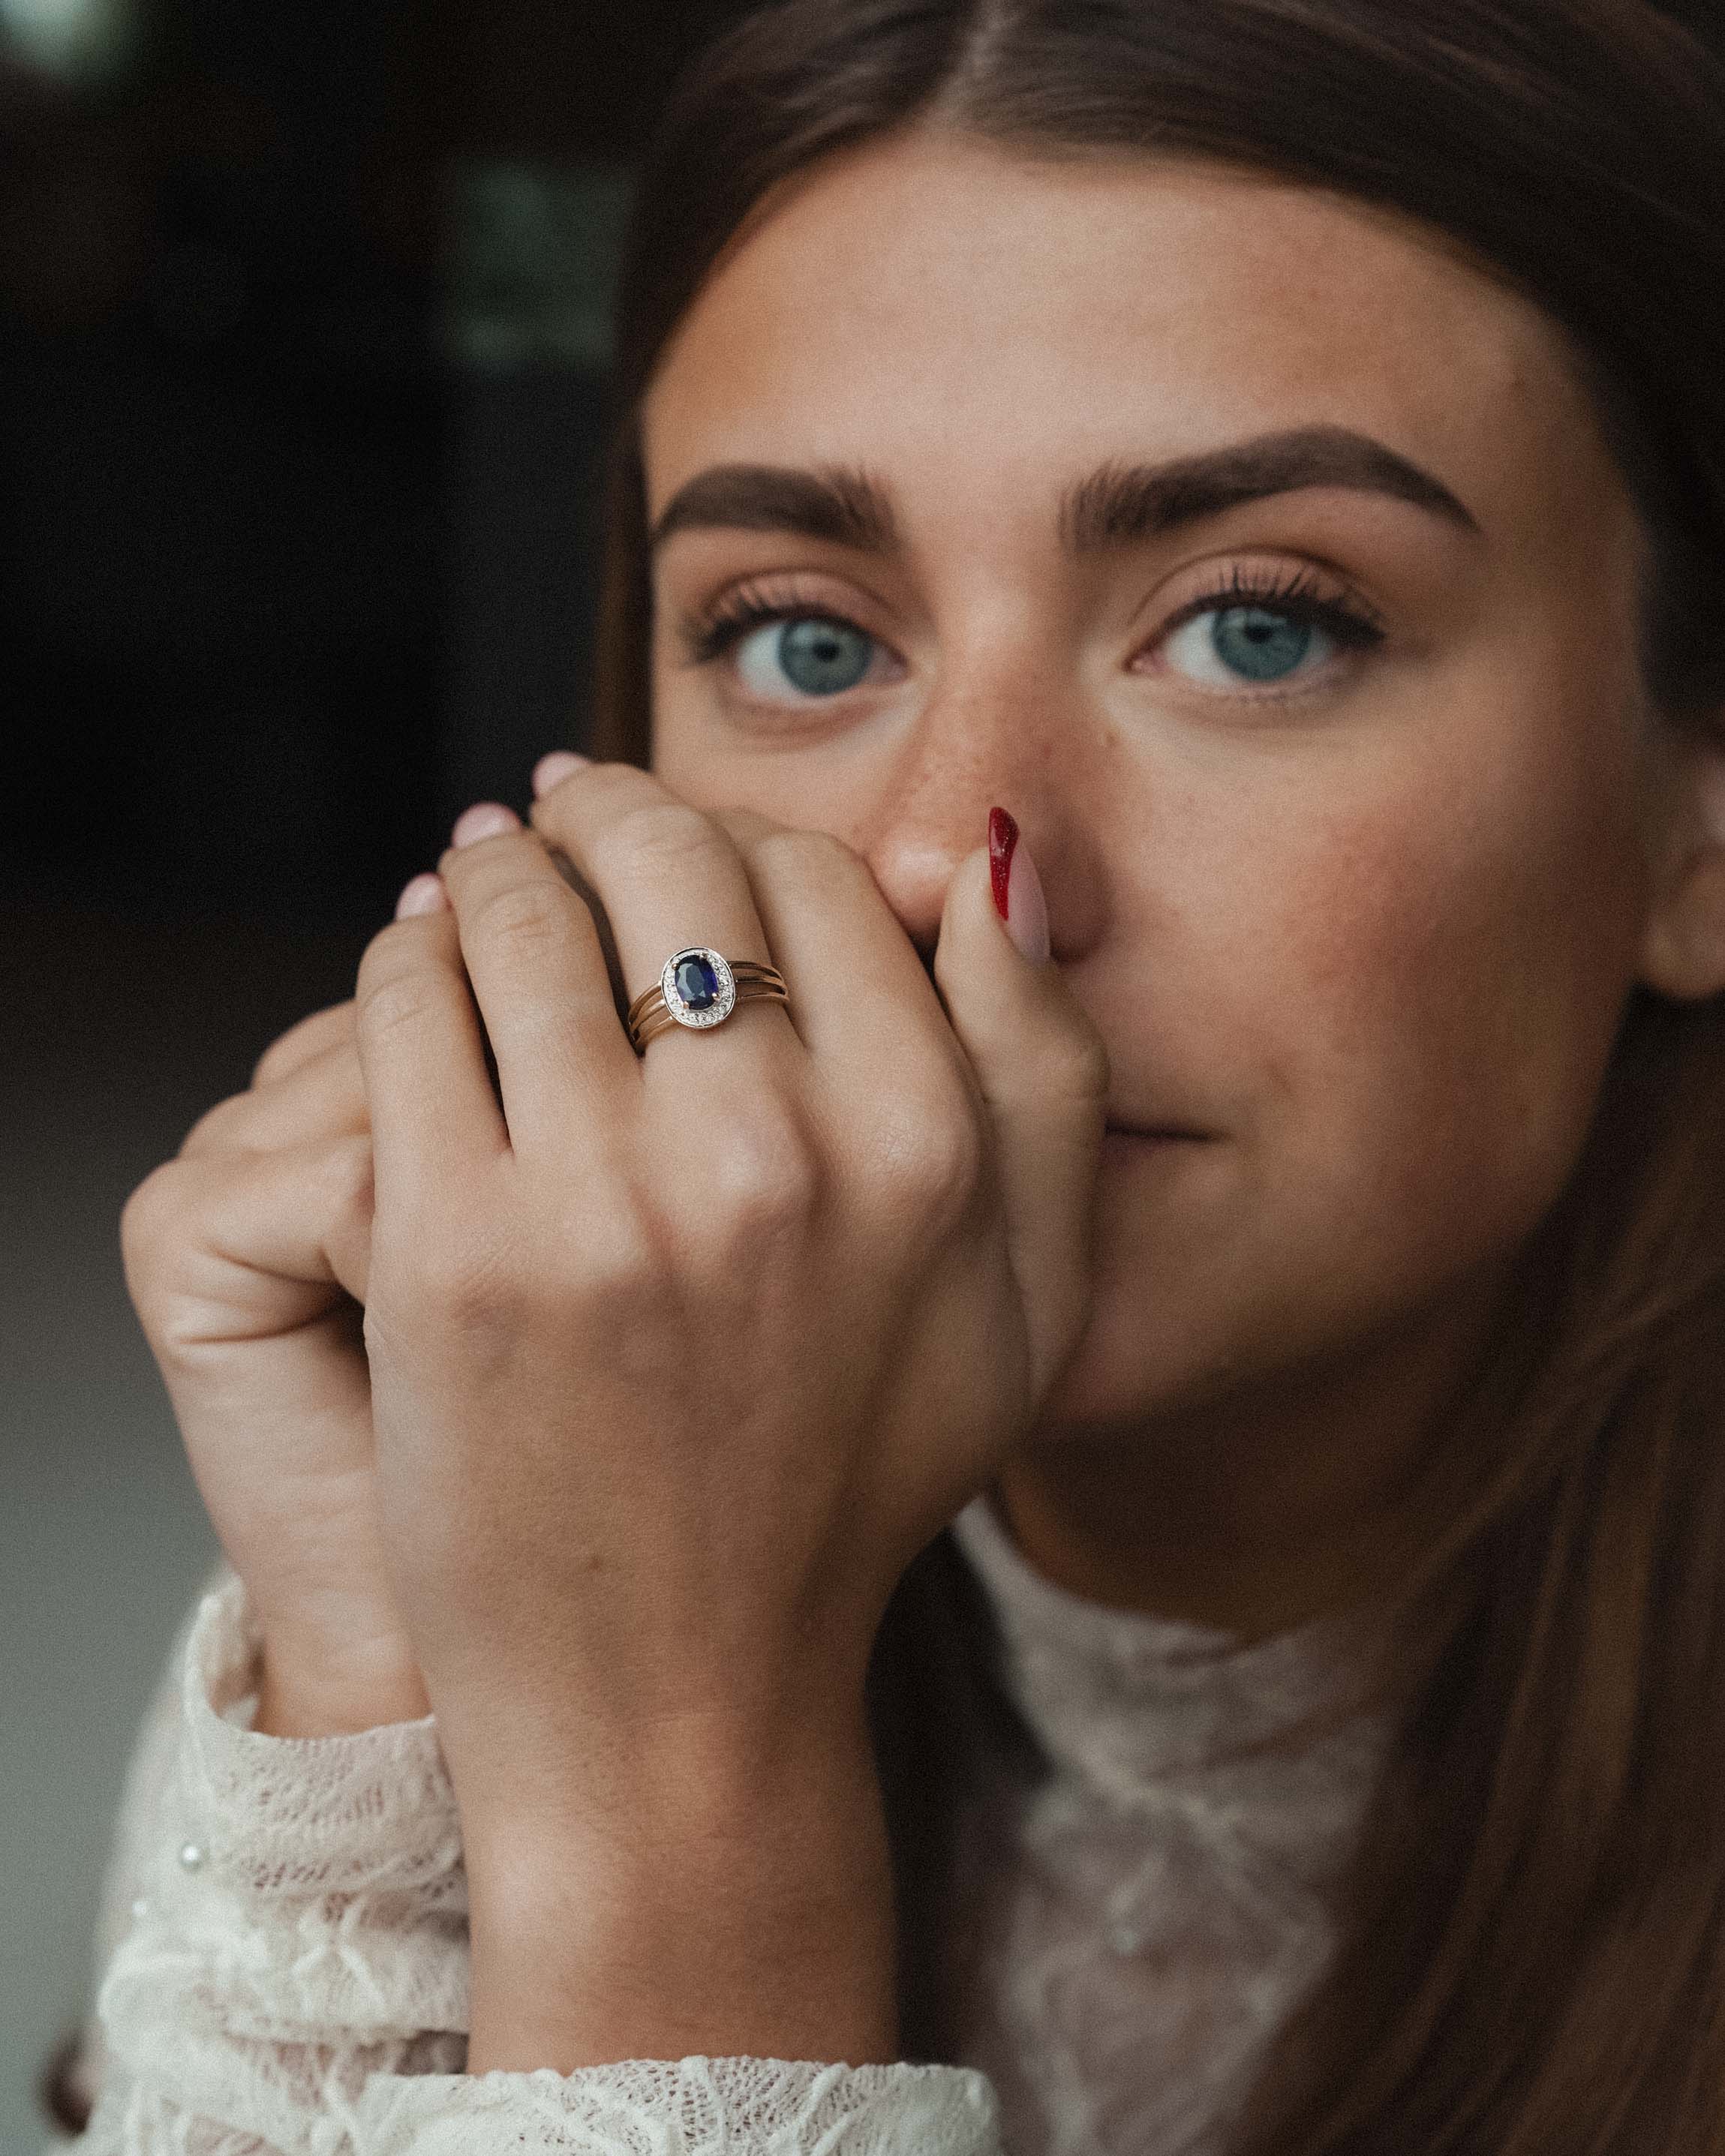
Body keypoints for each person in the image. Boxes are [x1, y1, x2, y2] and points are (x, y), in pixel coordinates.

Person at [45, 0, 1725, 2148]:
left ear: (1687, 808)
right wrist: (386, 1696)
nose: (946, 854)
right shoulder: (491, 1511)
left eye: (1260, 626)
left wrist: (681, 1806)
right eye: (805, 641)